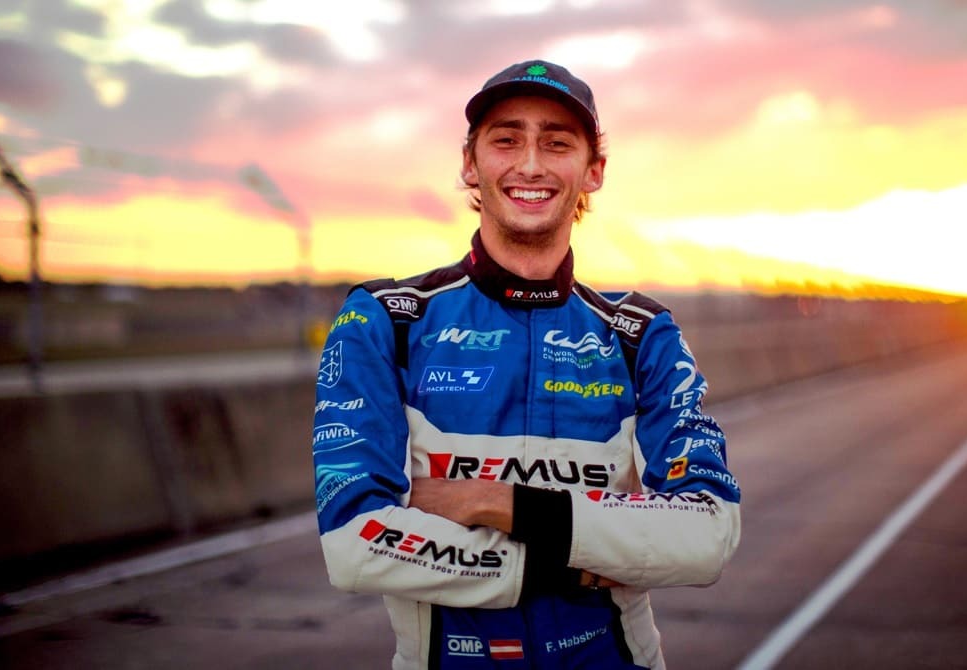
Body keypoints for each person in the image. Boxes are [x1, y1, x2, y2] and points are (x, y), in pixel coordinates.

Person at [312, 59, 741, 669]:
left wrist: (495, 501)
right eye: (507, 140)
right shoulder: (387, 320)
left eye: (557, 143)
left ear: (593, 171)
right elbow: (353, 545)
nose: (531, 165)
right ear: (470, 163)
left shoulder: (640, 334)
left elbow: (707, 535)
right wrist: (575, 553)